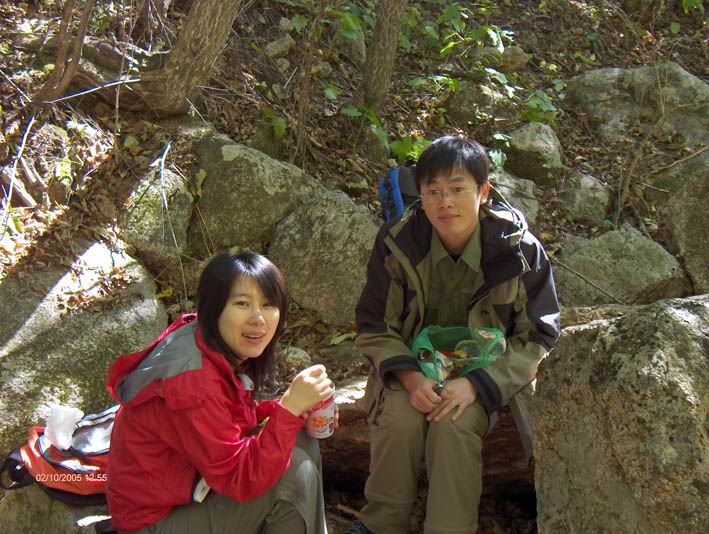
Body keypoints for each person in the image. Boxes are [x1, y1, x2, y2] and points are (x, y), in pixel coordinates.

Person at [347, 136, 560, 534]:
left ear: (483, 191)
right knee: (400, 417)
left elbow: (540, 336)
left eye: (458, 189)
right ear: (421, 195)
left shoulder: (519, 250)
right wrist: (411, 379)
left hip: (488, 373)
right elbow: (374, 325)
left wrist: (477, 384)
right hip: (413, 368)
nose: (445, 203)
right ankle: (380, 526)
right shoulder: (399, 242)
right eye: (433, 192)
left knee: (454, 424)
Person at [106, 251, 334, 533]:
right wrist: (288, 409)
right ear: (214, 307)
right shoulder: (194, 383)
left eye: (268, 304)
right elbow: (239, 478)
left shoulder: (206, 338)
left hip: (194, 487)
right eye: (242, 304)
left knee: (302, 437)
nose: (258, 318)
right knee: (293, 478)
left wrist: (295, 410)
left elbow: (230, 417)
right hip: (153, 521)